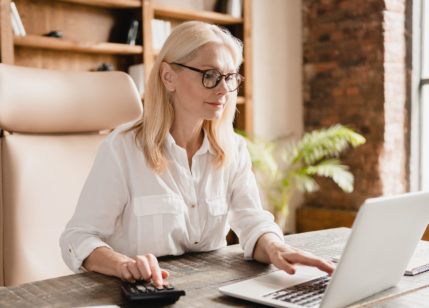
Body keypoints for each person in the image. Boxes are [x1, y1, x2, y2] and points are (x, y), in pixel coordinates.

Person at [60, 21, 335, 287]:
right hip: (143, 295)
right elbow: (78, 238)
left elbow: (252, 221)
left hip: (208, 292)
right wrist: (122, 265)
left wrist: (276, 247)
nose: (224, 89)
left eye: (229, 78)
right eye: (210, 76)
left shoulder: (233, 149)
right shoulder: (122, 148)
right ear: (168, 77)